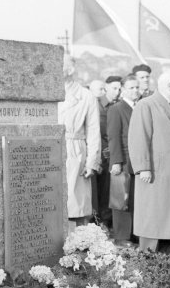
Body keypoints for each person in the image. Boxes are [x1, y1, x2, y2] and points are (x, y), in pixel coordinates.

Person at [128, 70, 170, 254]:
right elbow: (139, 137)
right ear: (169, 86)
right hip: (157, 176)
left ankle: (164, 265)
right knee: (153, 222)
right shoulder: (146, 105)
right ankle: (147, 268)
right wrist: (143, 168)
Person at [58, 56, 101, 231]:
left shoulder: (86, 96)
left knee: (75, 203)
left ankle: (75, 244)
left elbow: (93, 131)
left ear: (70, 70)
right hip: (51, 150)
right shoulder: (47, 93)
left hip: (76, 150)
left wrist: (92, 162)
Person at [107, 75, 139, 246]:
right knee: (121, 198)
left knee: (134, 198)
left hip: (138, 161)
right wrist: (116, 161)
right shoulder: (117, 108)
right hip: (124, 160)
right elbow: (113, 136)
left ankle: (134, 234)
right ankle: (121, 236)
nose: (135, 91)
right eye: (131, 87)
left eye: (137, 87)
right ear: (123, 89)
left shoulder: (140, 107)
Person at [91, 75, 122, 229]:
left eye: (119, 88)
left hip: (113, 153)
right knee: (100, 190)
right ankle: (99, 222)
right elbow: (96, 130)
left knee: (111, 190)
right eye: (114, 88)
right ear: (106, 88)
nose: (117, 91)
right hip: (101, 152)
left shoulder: (119, 105)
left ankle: (107, 222)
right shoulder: (97, 105)